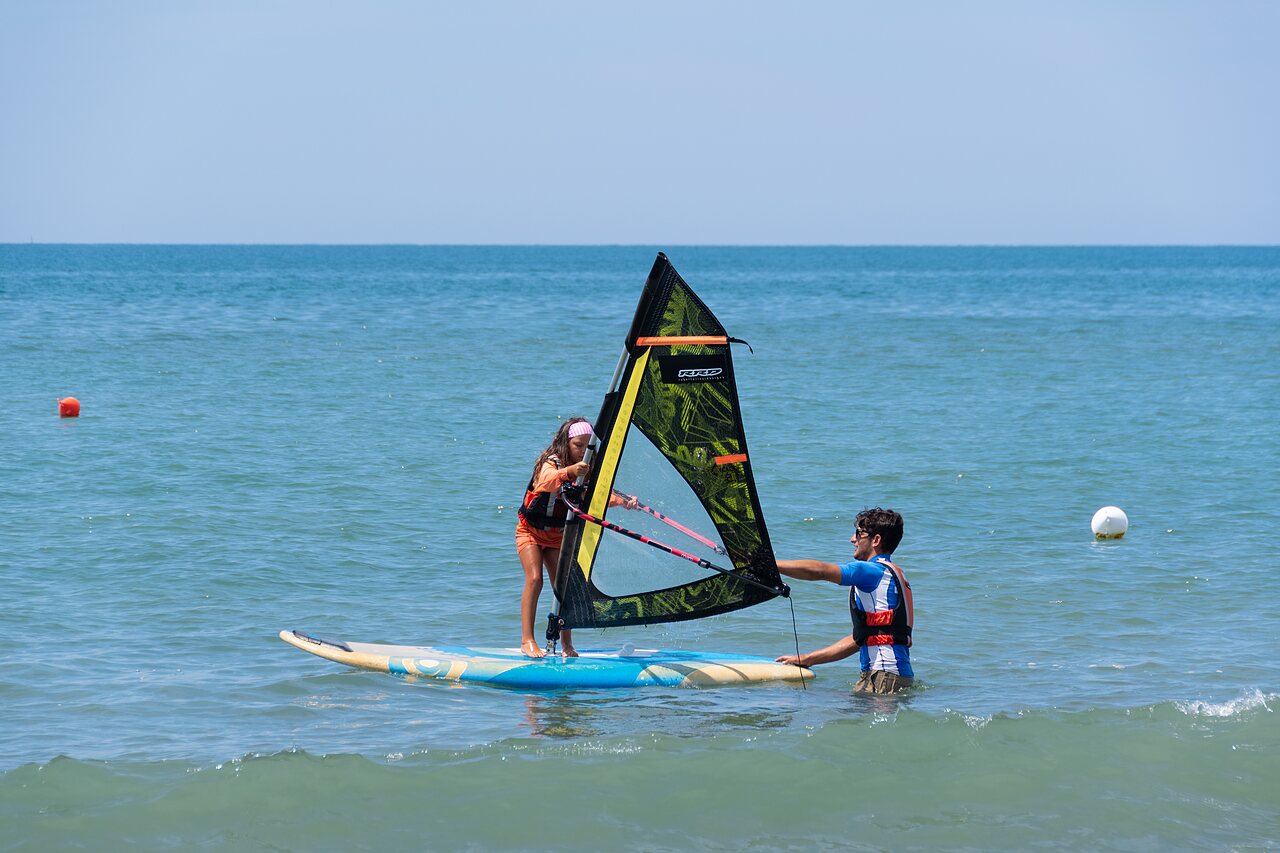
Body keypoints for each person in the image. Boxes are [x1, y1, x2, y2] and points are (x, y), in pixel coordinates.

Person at [515, 419, 638, 658]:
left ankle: (567, 645)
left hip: (556, 536)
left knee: (564, 588)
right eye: (577, 445)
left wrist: (625, 502)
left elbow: (599, 498)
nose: (582, 451)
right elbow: (545, 482)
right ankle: (527, 640)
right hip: (529, 532)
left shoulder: (588, 471)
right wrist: (569, 472)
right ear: (566, 443)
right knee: (535, 579)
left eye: (587, 447)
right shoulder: (551, 462)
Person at [775, 507, 914, 694]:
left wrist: (770, 565)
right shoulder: (894, 574)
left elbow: (820, 571)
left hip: (884, 675)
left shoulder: (872, 571)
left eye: (859, 533)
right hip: (891, 675)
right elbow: (860, 638)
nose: (852, 539)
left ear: (876, 540)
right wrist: (808, 658)